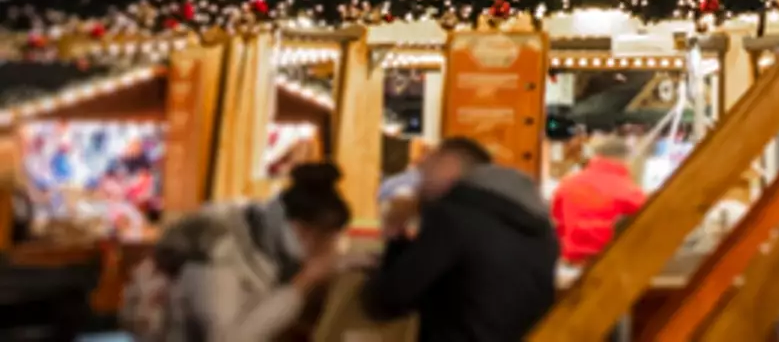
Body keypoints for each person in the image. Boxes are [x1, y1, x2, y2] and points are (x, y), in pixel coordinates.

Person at [129, 159, 350, 342]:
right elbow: (226, 338)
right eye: (325, 239)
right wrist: (303, 283)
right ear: (303, 230)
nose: (327, 250)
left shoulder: (272, 245)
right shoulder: (217, 244)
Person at [363, 136, 558, 342]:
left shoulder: (453, 215)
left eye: (428, 164)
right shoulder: (539, 225)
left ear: (448, 165)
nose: (420, 172)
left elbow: (387, 300)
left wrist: (396, 231)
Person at [549, 139, 646, 264]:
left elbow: (556, 220)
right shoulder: (631, 192)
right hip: (608, 264)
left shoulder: (568, 183)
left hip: (570, 261)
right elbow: (645, 229)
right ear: (626, 159)